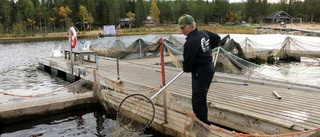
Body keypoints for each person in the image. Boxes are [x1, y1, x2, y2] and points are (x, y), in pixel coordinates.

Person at [177, 14, 221, 126]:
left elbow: (187, 67)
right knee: (198, 97)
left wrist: (202, 53)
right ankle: (199, 121)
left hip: (201, 72)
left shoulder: (190, 42)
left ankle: (202, 125)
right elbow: (217, 39)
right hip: (208, 68)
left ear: (190, 26)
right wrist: (206, 50)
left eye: (183, 27)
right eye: (180, 28)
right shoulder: (203, 33)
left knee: (198, 99)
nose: (181, 30)